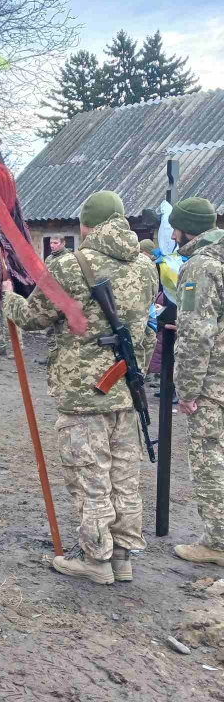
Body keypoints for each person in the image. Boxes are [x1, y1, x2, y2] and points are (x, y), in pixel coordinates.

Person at [3, 191, 157, 584]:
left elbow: (34, 317)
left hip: (82, 392)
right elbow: (145, 329)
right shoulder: (145, 267)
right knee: (124, 474)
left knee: (89, 475)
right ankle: (122, 556)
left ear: (86, 225)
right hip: (125, 387)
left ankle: (96, 558)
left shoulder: (71, 266)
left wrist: (7, 298)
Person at [169, 197, 224, 567]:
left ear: (184, 228)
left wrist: (187, 391)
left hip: (213, 383)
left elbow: (196, 333)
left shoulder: (200, 268)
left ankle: (218, 543)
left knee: (209, 460)